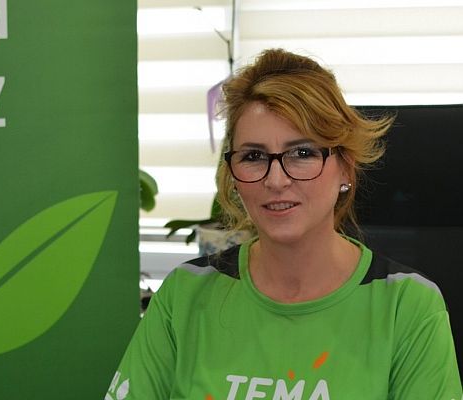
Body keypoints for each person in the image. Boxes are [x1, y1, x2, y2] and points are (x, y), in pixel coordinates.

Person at [107, 49, 462, 400]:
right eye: (253, 156)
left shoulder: (406, 305)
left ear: (345, 168)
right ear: (233, 176)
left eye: (302, 153)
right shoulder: (185, 295)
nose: (276, 180)